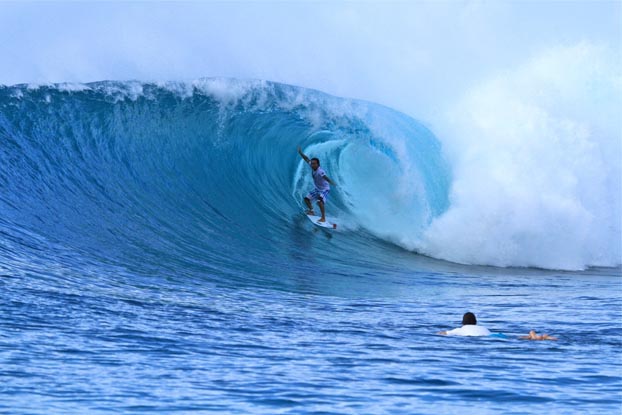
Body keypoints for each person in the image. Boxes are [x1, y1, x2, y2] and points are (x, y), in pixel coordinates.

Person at [297, 146, 335, 223]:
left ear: (318, 164)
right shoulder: (312, 166)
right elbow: (306, 159)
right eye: (312, 164)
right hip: (317, 189)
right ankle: (312, 211)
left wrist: (332, 183)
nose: (312, 165)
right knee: (306, 199)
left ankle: (323, 218)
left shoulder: (320, 171)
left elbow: (325, 177)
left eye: (314, 164)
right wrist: (300, 153)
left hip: (324, 189)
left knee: (319, 202)